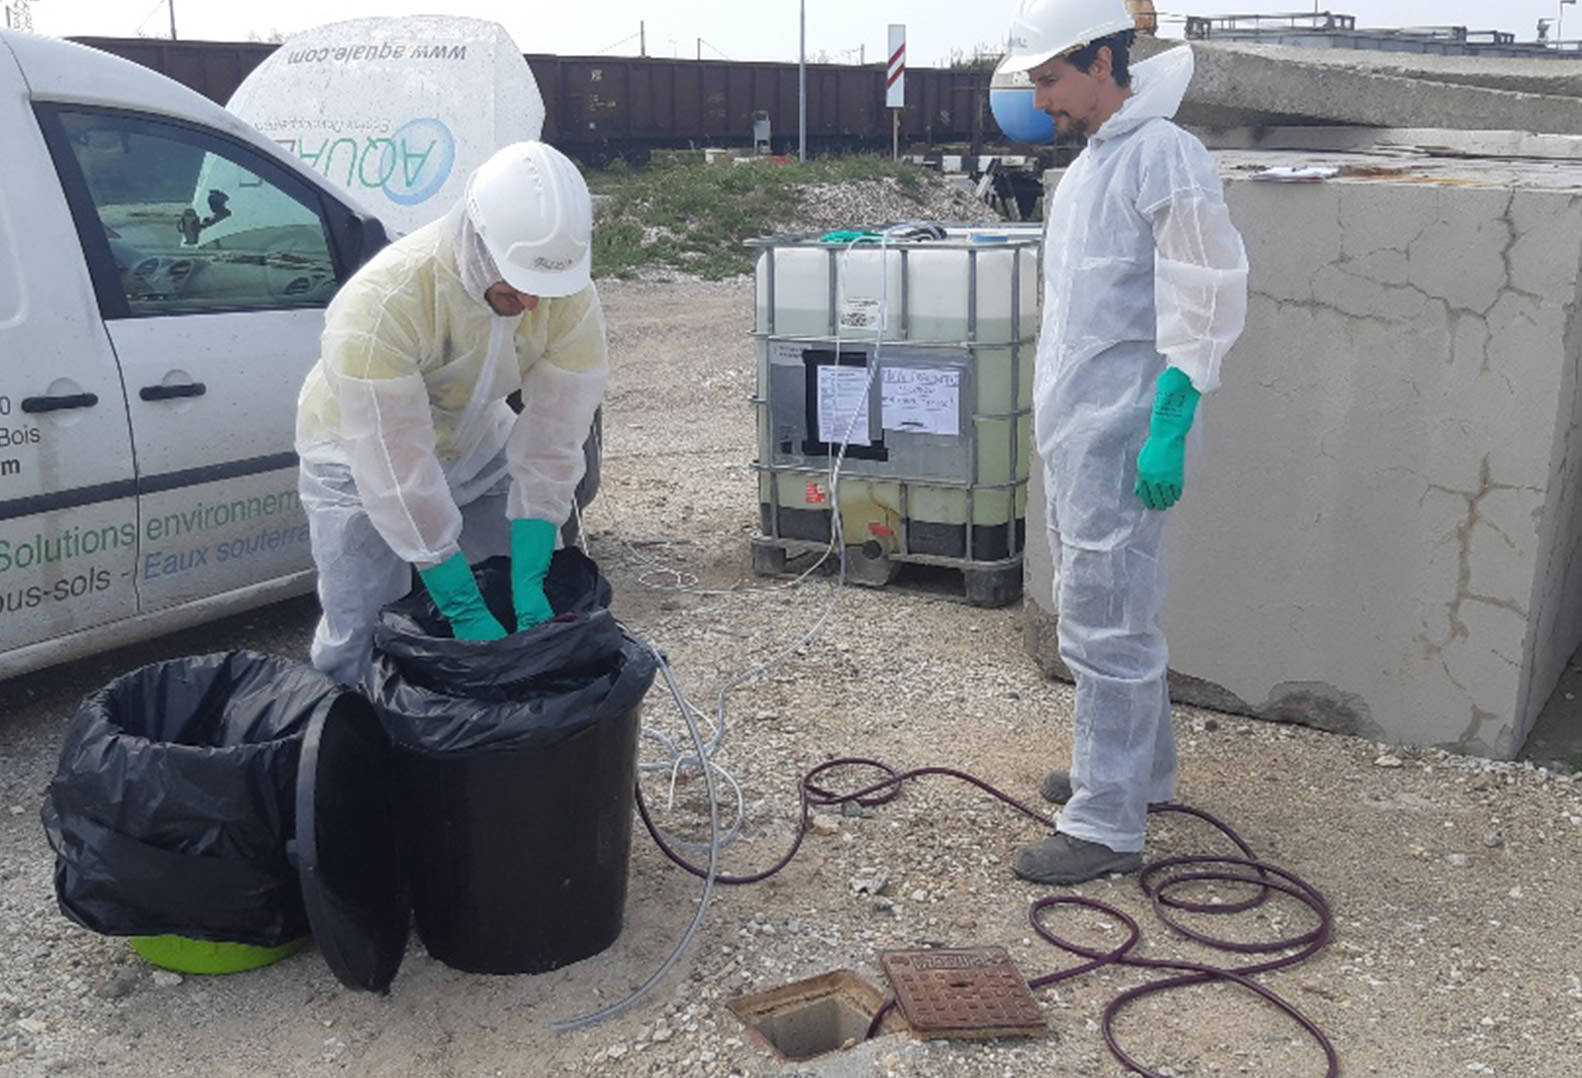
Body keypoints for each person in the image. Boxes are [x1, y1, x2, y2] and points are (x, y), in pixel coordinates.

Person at [997, 0, 1249, 884]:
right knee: (1106, 605)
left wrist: (1170, 427)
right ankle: (1138, 772)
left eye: (1051, 80)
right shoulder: (1092, 168)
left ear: (1103, 62)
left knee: (1107, 623)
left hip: (1127, 429)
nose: (1042, 101)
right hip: (1080, 429)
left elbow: (1206, 293)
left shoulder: (1164, 157)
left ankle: (1105, 823)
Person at [295, 140, 608, 688]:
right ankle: (347, 749)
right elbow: (396, 463)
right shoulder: (381, 303)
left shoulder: (569, 296)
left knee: (519, 601)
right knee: (361, 625)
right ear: (478, 242)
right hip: (356, 450)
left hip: (477, 441)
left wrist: (534, 554)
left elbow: (557, 431)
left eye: (545, 288)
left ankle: (494, 745)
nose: (534, 303)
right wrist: (456, 596)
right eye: (519, 285)